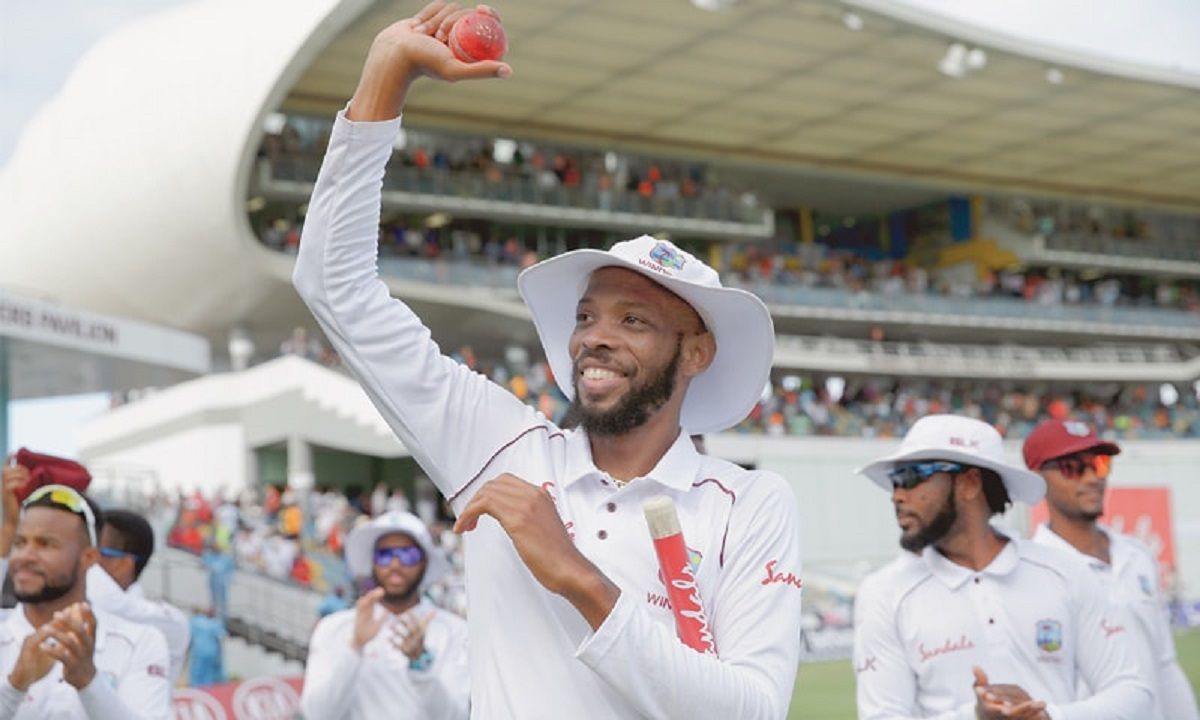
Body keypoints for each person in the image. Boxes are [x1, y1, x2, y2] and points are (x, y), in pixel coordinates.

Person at [291, 2, 803, 716]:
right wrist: (385, 76)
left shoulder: (749, 503)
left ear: (697, 351)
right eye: (587, 315)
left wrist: (575, 575)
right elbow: (334, 288)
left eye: (634, 320)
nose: (594, 336)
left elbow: (752, 710)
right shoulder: (505, 449)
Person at [852, 415, 1151, 719]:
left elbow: (1132, 693)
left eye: (913, 476)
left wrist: (1050, 717)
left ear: (969, 483)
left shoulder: (1064, 571)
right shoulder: (883, 593)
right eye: (896, 481)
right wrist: (975, 717)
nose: (898, 495)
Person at [1023, 420, 1199, 720]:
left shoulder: (1137, 554)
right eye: (1072, 467)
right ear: (1038, 479)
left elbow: (1164, 663)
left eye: (1100, 464)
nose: (1092, 478)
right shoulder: (1029, 571)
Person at [0, 485, 170, 719]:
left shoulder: (139, 642)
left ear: (88, 558)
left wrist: (87, 681)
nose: (26, 556)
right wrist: (14, 686)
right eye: (20, 543)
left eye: (46, 544)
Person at [302, 512, 469, 719]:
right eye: (384, 555)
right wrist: (355, 647)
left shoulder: (454, 631)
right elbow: (316, 714)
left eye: (408, 555)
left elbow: (457, 716)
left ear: (425, 562)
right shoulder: (335, 627)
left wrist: (421, 664)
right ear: (372, 562)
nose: (395, 565)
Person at [89, 509, 191, 684]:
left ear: (123, 564)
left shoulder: (169, 624)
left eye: (93, 553)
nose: (85, 558)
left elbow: (112, 604)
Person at [186, 607, 225, 687]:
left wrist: (186, 652)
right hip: (211, 652)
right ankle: (206, 692)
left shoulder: (195, 622)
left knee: (197, 675)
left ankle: (196, 692)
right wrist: (220, 653)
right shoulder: (216, 623)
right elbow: (219, 640)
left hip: (199, 652)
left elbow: (190, 638)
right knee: (208, 675)